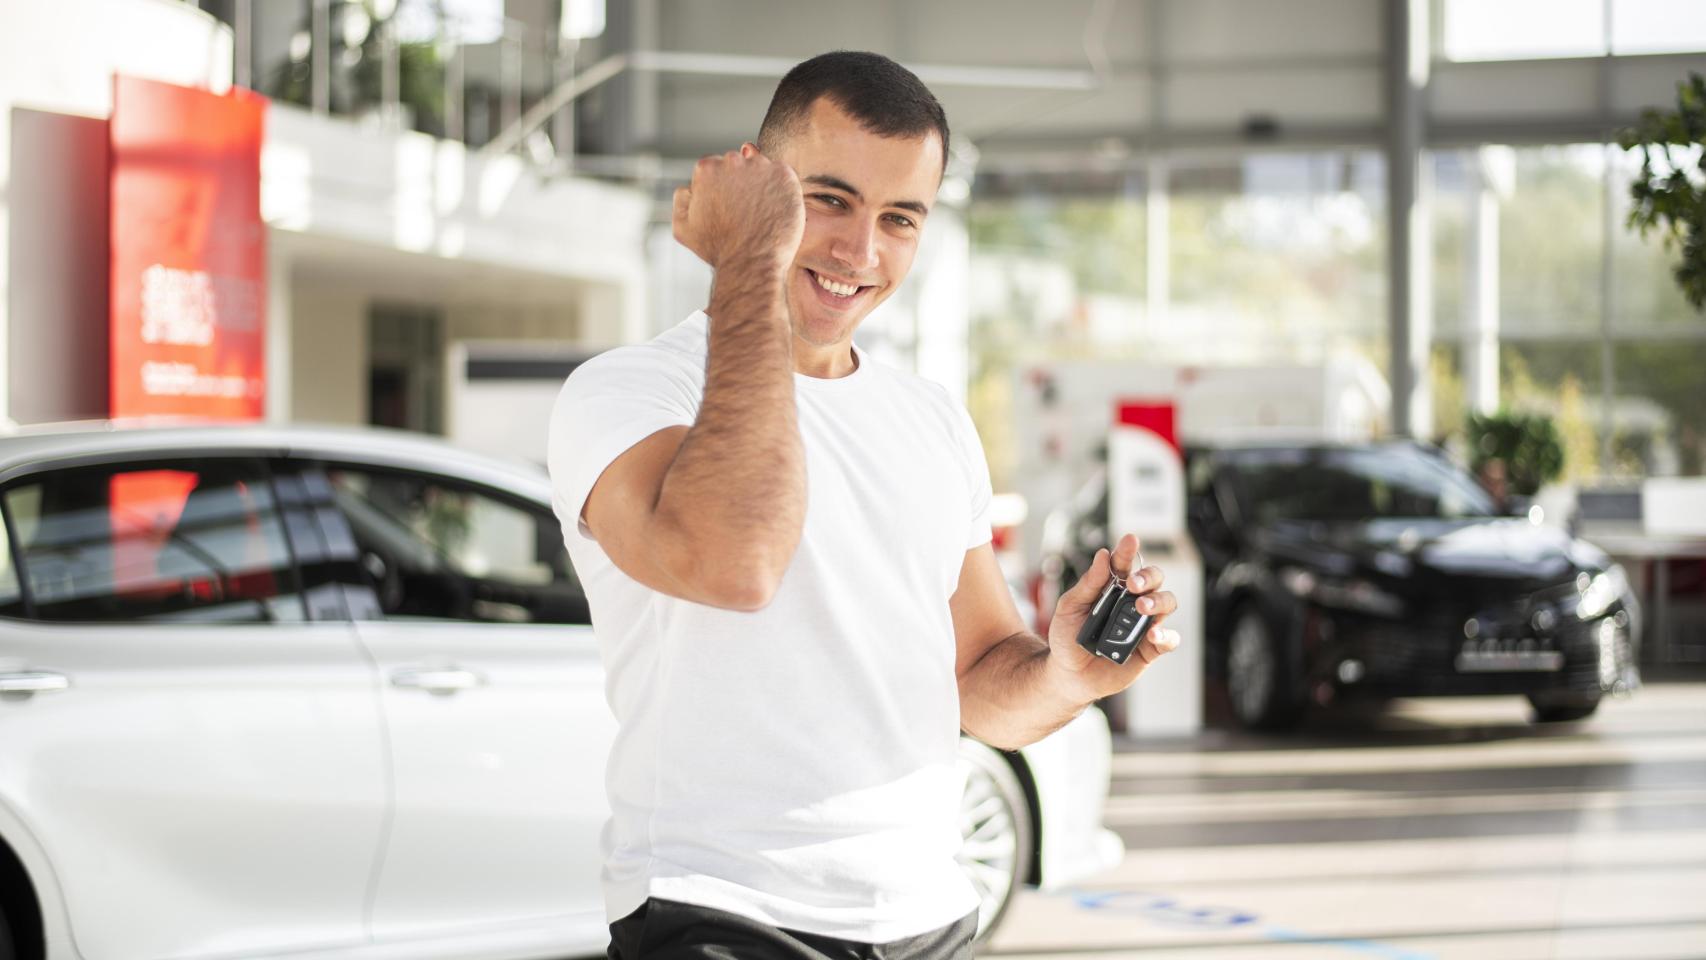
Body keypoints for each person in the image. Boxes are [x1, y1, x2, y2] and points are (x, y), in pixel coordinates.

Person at [547, 51, 1180, 960]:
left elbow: (978, 684)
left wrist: (1065, 677)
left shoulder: (931, 419)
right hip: (719, 911)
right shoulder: (626, 394)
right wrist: (748, 261)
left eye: (900, 219)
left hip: (925, 915)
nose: (861, 252)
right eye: (829, 201)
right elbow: (735, 561)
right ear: (759, 191)